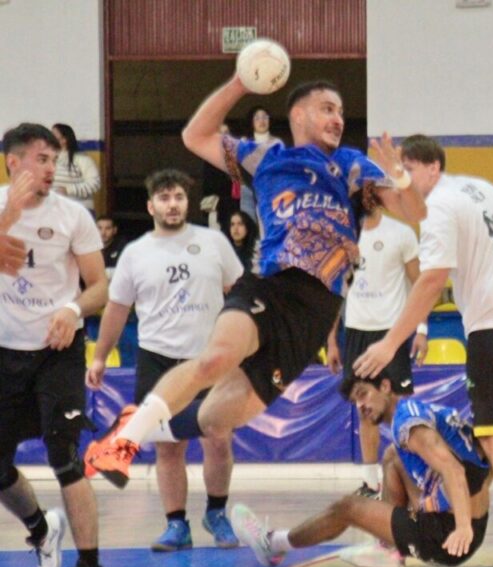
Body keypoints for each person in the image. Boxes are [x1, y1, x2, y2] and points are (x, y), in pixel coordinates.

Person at [85, 76, 426, 488]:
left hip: (315, 310)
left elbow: (415, 214)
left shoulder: (354, 165)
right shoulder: (267, 156)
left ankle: (133, 425)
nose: (337, 118)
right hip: (270, 283)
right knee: (214, 360)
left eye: (340, 111)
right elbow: (195, 135)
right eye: (327, 109)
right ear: (298, 115)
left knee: (214, 419)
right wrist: (239, 83)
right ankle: (122, 446)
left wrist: (402, 180)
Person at [353, 134, 493, 567]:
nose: (403, 191)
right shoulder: (478, 187)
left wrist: (389, 342)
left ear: (431, 169)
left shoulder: (439, 207)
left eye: (407, 174)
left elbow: (431, 282)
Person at [87, 169, 244, 552]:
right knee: (167, 447)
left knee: (218, 439)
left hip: (210, 357)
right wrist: (101, 357)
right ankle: (176, 524)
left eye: (178, 197)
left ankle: (217, 512)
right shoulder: (135, 253)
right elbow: (117, 309)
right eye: (164, 198)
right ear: (150, 205)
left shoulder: (214, 243)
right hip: (158, 359)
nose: (172, 204)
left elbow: (239, 293)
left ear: (187, 203)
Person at [232, 373, 493, 567]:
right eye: (355, 401)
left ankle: (272, 544)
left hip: (448, 537)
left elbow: (454, 470)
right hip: (467, 525)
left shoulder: (406, 420)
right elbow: (485, 462)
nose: (360, 405)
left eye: (363, 394)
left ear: (386, 386)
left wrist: (462, 527)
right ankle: (389, 551)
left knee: (347, 507)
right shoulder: (424, 411)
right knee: (393, 456)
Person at [0, 123, 110, 567]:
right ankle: (43, 530)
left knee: (63, 452)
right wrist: (8, 215)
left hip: (57, 352)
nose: (50, 169)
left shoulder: (73, 216)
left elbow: (101, 287)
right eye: (41, 159)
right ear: (13, 163)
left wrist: (72, 309)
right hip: (5, 353)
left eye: (54, 160)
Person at [325, 199, 427, 498]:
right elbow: (335, 292)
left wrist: (421, 329)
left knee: (400, 409)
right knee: (364, 409)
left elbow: (420, 283)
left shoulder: (401, 233)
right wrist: (332, 339)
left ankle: (412, 475)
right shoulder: (341, 237)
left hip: (392, 332)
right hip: (356, 332)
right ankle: (371, 483)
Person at [51, 123, 102, 212]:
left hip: (79, 209)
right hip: (55, 210)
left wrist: (68, 190)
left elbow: (95, 183)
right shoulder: (49, 159)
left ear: (64, 140)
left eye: (53, 135)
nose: (49, 139)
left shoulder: (82, 159)